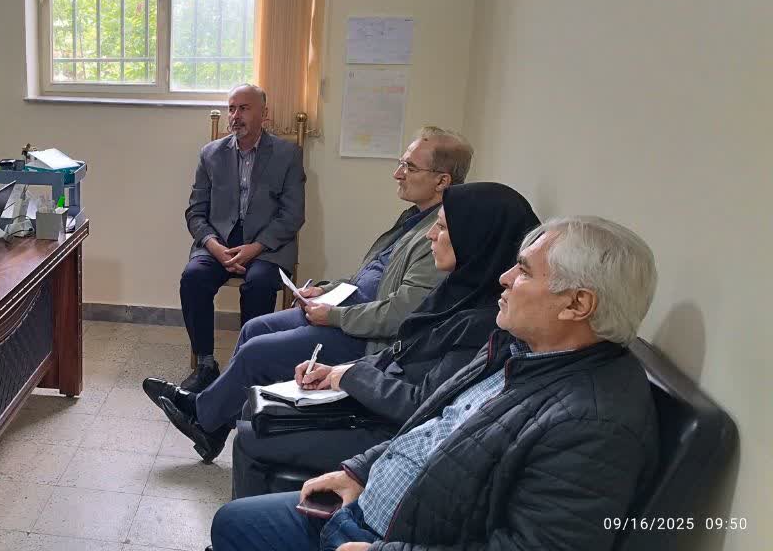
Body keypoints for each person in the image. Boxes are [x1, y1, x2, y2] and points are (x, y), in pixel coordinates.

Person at [211, 216, 660, 551]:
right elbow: (433, 424)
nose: (504, 278)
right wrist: (362, 471)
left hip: (390, 537)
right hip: (371, 509)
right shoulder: (516, 350)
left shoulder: (593, 422)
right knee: (231, 522)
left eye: (524, 271)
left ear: (577, 304)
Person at [147, 127, 473, 461]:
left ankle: (203, 417)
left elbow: (399, 315)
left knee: (257, 352)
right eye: (401, 163)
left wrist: (333, 315)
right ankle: (214, 426)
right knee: (253, 329)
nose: (398, 174)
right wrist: (326, 290)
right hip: (349, 311)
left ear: (442, 181)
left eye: (410, 167)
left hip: (369, 339)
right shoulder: (415, 219)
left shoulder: (440, 235)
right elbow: (372, 278)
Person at [230, 182, 539, 498]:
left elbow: (423, 405)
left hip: (395, 433)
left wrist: (349, 376)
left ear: (477, 238)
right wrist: (335, 371)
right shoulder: (455, 294)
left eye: (443, 228)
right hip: (378, 406)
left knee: (251, 436)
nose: (430, 235)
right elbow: (401, 352)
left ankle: (260, 521)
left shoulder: (484, 323)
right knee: (256, 408)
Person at [179, 84, 306, 391]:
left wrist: (255, 248)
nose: (236, 116)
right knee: (193, 278)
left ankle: (247, 364)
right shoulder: (210, 154)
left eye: (244, 108)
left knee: (259, 284)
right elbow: (195, 212)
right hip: (219, 242)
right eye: (232, 108)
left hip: (267, 245)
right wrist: (214, 247)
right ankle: (205, 364)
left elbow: (293, 215)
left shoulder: (287, 154)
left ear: (265, 114)